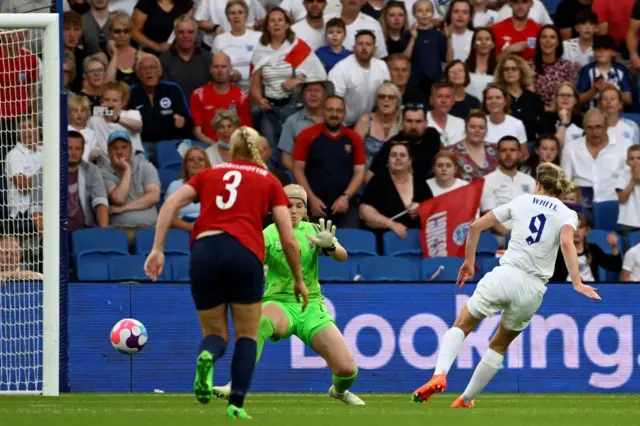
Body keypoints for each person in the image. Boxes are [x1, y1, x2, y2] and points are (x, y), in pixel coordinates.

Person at [144, 126, 308, 420]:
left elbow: (170, 203)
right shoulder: (269, 181)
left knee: (215, 333)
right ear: (257, 150)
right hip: (244, 252)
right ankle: (236, 404)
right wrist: (298, 278)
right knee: (246, 334)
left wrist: (157, 248)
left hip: (205, 251)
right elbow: (288, 238)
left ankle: (207, 357)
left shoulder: (210, 173)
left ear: (229, 150)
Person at [411, 162, 601, 408]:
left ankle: (440, 374)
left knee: (463, 324)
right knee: (499, 344)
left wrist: (469, 263)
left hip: (506, 274)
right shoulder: (567, 213)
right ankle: (465, 399)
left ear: (539, 184)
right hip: (533, 288)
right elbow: (567, 243)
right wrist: (576, 282)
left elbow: (475, 226)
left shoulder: (522, 201)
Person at [211, 185, 365, 406]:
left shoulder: (314, 229)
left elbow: (342, 256)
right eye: (287, 205)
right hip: (279, 302)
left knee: (347, 370)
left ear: (305, 210)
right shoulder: (269, 233)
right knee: (260, 321)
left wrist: (330, 246)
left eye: (299, 206)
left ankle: (338, 391)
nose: (293, 210)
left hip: (311, 306)